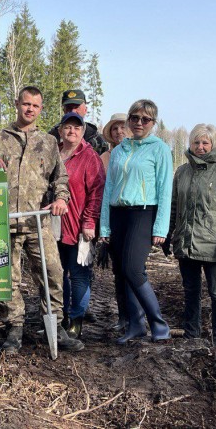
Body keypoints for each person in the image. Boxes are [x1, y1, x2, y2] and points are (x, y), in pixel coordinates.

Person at [0, 86, 84, 355]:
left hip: (37, 222)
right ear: (17, 104)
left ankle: (55, 327)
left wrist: (61, 199)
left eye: (35, 106)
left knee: (53, 273)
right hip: (4, 222)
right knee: (8, 278)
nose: (30, 109)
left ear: (41, 109)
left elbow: (60, 179)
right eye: (26, 104)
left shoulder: (48, 143)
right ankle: (14, 328)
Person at [99, 99, 172, 344]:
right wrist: (105, 225)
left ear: (153, 123)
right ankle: (135, 325)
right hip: (118, 214)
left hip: (143, 213)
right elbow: (109, 189)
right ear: (129, 120)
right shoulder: (120, 150)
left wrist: (161, 227)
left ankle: (158, 324)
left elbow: (165, 190)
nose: (139, 123)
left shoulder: (159, 148)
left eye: (145, 119)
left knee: (133, 268)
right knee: (121, 271)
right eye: (135, 118)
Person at [167, 124, 216, 348]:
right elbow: (174, 207)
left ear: (213, 144)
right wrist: (168, 234)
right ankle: (192, 334)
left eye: (205, 143)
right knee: (191, 291)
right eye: (196, 142)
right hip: (186, 243)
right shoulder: (182, 172)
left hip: (213, 244)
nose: (200, 147)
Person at [56, 112, 105, 340]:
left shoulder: (89, 157)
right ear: (60, 130)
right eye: (67, 127)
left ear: (83, 132)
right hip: (53, 226)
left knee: (78, 275)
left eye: (77, 128)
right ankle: (61, 316)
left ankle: (77, 319)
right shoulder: (53, 153)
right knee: (57, 274)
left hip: (78, 226)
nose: (71, 131)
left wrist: (89, 221)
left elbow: (96, 192)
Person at [99, 112, 129, 331]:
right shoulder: (104, 159)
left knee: (134, 270)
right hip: (111, 218)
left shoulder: (138, 154)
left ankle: (136, 315)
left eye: (123, 127)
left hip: (133, 218)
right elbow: (101, 192)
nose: (119, 132)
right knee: (118, 271)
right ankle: (123, 317)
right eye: (115, 128)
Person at [48, 89, 109, 155]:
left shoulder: (97, 140)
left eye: (77, 107)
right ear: (63, 110)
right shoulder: (52, 136)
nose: (73, 111)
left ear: (85, 110)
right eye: (69, 108)